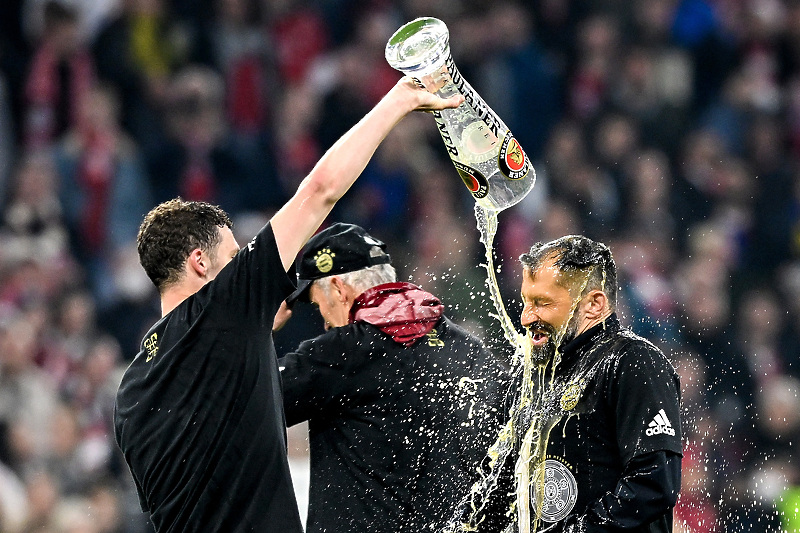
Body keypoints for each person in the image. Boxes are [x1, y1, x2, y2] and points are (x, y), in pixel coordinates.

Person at [112, 78, 463, 533]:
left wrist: (250, 340)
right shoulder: (223, 310)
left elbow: (208, 448)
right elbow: (319, 191)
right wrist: (400, 100)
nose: (243, 268)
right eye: (234, 258)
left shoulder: (132, 390)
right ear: (200, 262)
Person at [277, 222, 508, 533]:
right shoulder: (469, 349)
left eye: (320, 306)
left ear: (339, 290)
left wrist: (257, 331)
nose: (325, 323)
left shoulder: (344, 352)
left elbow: (235, 400)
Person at [476, 235, 682, 532]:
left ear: (594, 304)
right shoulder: (533, 377)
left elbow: (652, 484)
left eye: (542, 303)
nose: (525, 317)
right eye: (525, 302)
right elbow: (500, 488)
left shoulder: (633, 362)